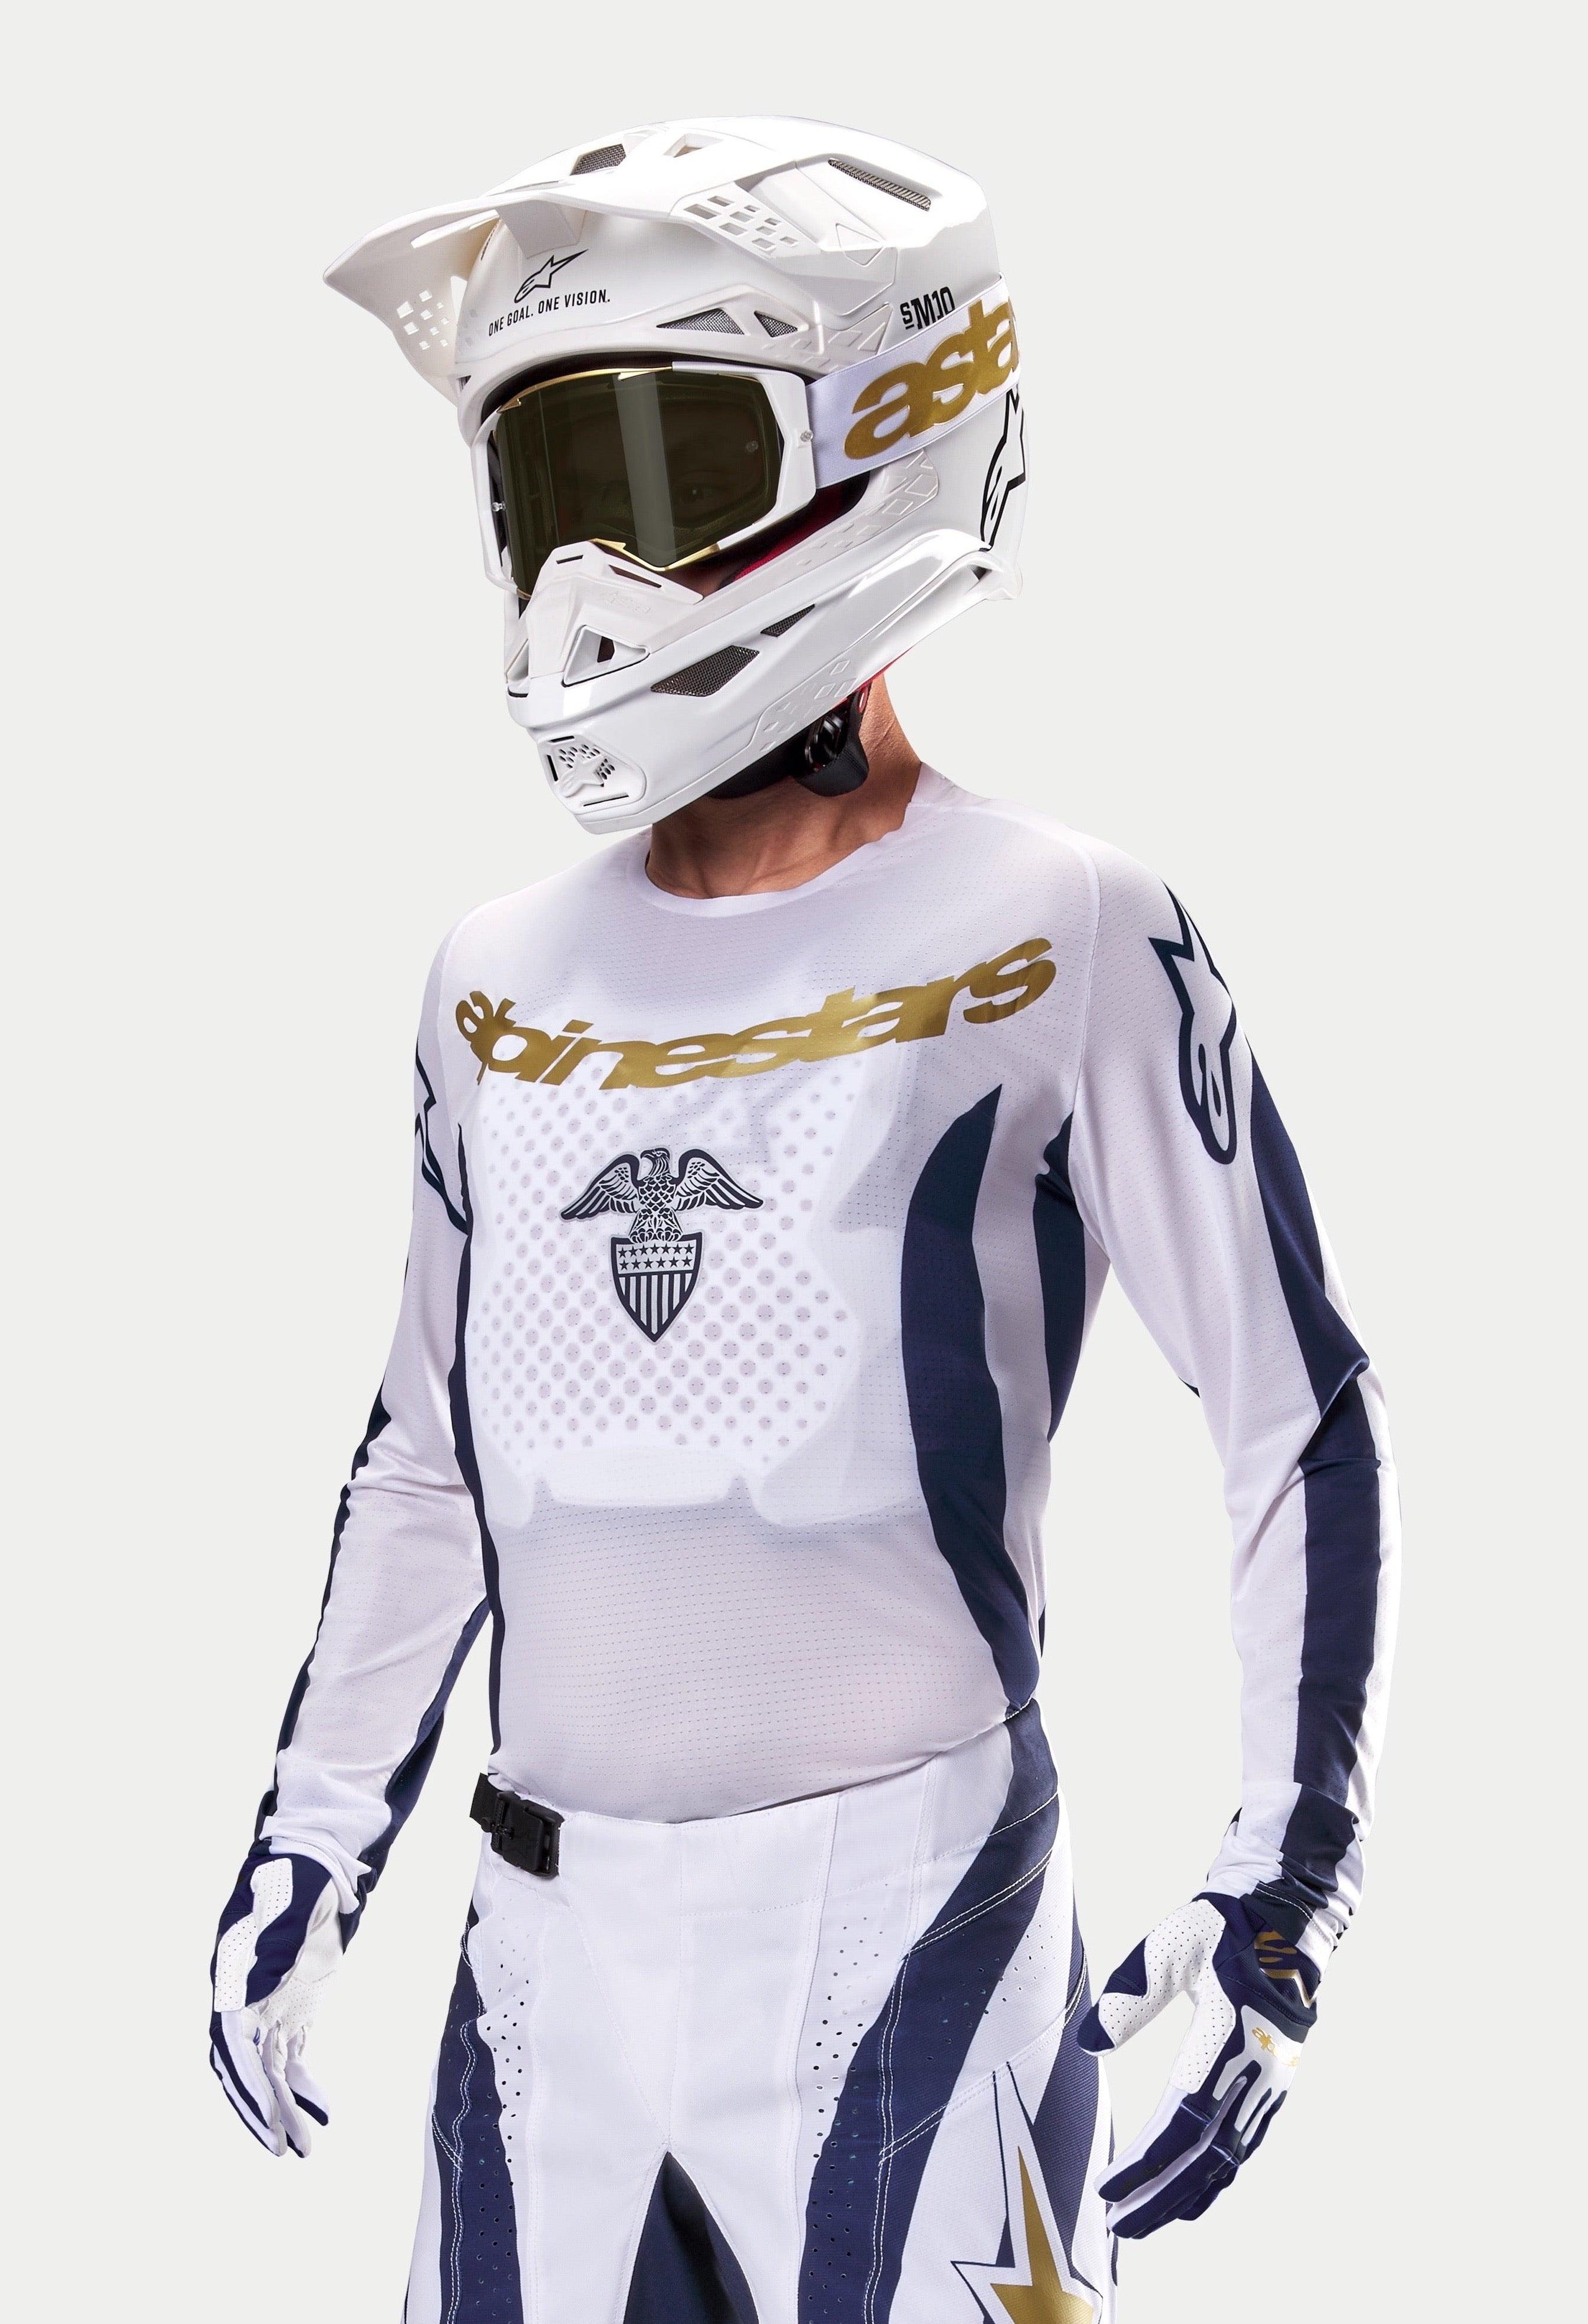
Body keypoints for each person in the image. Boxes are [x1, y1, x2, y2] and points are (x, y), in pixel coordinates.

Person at [209, 118, 1398, 2321]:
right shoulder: (491, 979)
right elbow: (430, 1460)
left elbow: (1294, 1414)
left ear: (886, 428)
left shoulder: (1064, 927)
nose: (590, 572)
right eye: (545, 487)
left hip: (911, 1917)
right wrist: (312, 1835)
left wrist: (1288, 1883)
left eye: (660, 473)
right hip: (540, 1953)